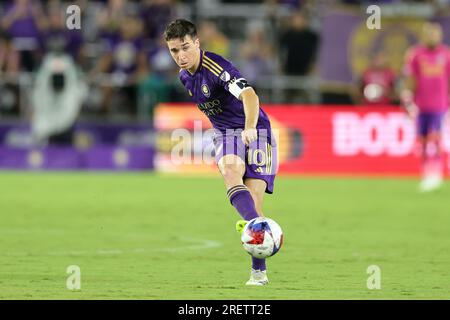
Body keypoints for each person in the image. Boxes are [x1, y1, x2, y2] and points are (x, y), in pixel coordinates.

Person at [164, 19, 278, 285]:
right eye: (173, 51)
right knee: (230, 170)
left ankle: (258, 271)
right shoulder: (184, 77)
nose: (180, 56)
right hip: (226, 134)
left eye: (185, 47)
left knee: (255, 202)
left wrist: (249, 127)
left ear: (197, 43)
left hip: (258, 130)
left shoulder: (216, 67)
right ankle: (259, 229)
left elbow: (249, 95)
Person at [401, 22, 450, 192]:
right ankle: (425, 173)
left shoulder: (446, 55)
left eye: (436, 34)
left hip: (440, 105)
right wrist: (407, 99)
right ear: (424, 36)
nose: (433, 37)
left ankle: (436, 174)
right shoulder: (416, 55)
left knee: (435, 139)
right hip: (421, 104)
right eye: (430, 34)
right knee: (421, 141)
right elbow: (410, 78)